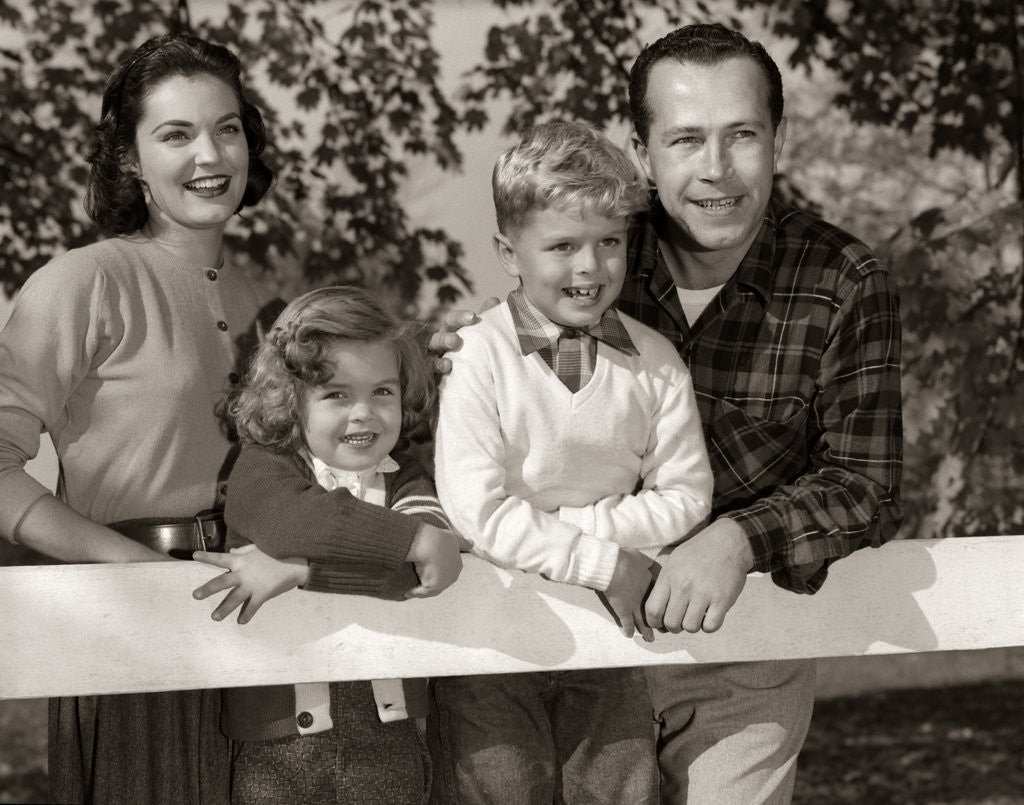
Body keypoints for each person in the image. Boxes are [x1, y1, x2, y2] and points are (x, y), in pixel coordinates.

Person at [0, 33, 449, 804]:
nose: (210, 154)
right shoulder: (79, 283)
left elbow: (356, 452)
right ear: (130, 160)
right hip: (130, 621)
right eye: (175, 134)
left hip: (263, 622)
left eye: (228, 127)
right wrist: (137, 575)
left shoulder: (273, 311)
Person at [619, 23, 904, 803]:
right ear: (643, 154)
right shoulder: (588, 262)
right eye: (684, 140)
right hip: (585, 640)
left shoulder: (846, 278)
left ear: (778, 138)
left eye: (741, 135)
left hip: (749, 652)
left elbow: (866, 482)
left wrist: (739, 538)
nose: (716, 170)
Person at [430, 119, 714, 804]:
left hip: (612, 644)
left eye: (609, 243)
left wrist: (581, 527)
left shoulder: (655, 363)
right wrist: (603, 560)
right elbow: (476, 508)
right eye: (562, 245)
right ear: (509, 251)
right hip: (490, 642)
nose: (590, 268)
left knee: (619, 792)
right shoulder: (476, 356)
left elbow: (687, 496)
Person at [189, 285, 462, 803]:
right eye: (337, 393)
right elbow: (294, 521)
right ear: (290, 399)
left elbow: (422, 573)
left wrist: (302, 574)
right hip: (278, 745)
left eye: (382, 391)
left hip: (392, 737)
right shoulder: (262, 468)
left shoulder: (407, 479)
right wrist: (411, 539)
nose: (363, 412)